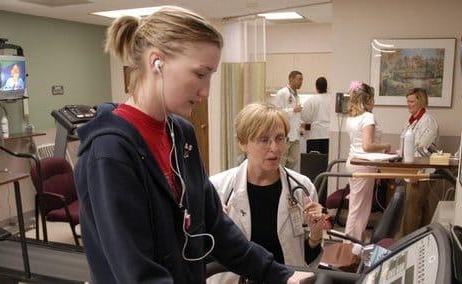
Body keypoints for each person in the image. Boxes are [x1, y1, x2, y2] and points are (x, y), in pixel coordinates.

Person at [73, 6, 310, 283]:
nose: (206, 91)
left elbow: (216, 227)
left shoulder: (181, 135)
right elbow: (137, 273)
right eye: (200, 74)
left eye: (211, 76)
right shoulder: (110, 153)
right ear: (156, 62)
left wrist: (280, 275)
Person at [208, 103, 328, 283]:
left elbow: (305, 262)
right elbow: (204, 257)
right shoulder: (217, 189)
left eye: (280, 138)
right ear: (242, 143)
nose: (275, 148)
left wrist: (316, 235)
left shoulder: (302, 188)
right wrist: (213, 229)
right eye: (264, 140)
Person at [344, 81, 392, 241]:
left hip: (353, 162)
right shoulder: (368, 117)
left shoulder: (352, 117)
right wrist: (386, 146)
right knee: (359, 210)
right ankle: (349, 248)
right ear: (369, 99)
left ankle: (355, 242)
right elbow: (367, 145)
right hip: (363, 165)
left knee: (357, 207)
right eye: (373, 98)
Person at [399, 88, 442, 236]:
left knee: (412, 211)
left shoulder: (428, 121)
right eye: (407, 101)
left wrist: (416, 172)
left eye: (411, 101)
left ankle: (404, 242)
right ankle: (421, 239)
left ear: (421, 101)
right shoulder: (411, 121)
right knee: (422, 209)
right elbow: (405, 145)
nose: (408, 104)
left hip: (421, 173)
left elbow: (423, 150)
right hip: (412, 170)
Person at [274, 71, 303, 170]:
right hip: (285, 132)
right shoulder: (282, 93)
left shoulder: (296, 95)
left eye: (301, 79)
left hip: (295, 134)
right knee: (282, 160)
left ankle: (288, 179)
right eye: (299, 79)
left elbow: (296, 115)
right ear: (291, 79)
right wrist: (293, 110)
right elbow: (277, 111)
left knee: (294, 160)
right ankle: (281, 181)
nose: (301, 82)